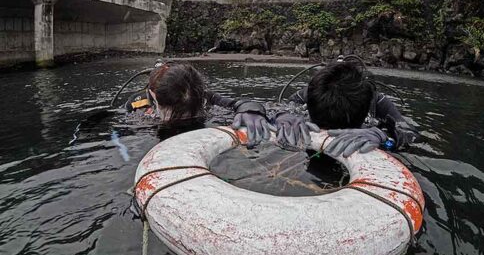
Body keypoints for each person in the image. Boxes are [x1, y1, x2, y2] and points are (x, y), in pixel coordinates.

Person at [273, 59, 420, 157]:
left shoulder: (375, 100)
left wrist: (387, 138)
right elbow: (277, 107)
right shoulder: (312, 92)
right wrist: (278, 115)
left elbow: (409, 134)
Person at [125, 61, 275, 147]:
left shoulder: (205, 96)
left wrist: (251, 112)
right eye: (176, 112)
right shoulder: (138, 105)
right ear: (154, 95)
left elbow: (242, 104)